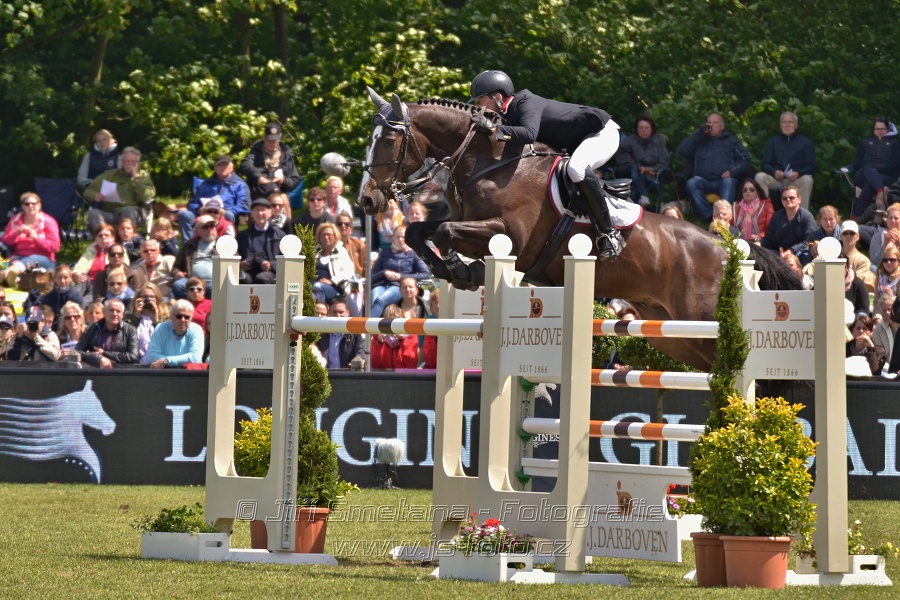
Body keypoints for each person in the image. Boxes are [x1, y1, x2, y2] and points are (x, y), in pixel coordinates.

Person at [470, 70, 624, 258]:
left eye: (480, 101)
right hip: (578, 142)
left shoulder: (525, 101)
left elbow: (529, 134)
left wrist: (493, 128)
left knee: (576, 169)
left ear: (498, 96)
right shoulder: (509, 114)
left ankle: (609, 233)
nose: (479, 108)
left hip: (602, 132)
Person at [677, 112, 752, 220]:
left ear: (722, 126)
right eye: (709, 122)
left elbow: (745, 159)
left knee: (729, 182)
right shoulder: (700, 140)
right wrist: (699, 132)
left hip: (722, 181)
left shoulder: (730, 140)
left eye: (715, 122)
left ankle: (725, 218)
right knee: (692, 183)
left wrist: (732, 171)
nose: (711, 125)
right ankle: (709, 217)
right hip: (703, 180)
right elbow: (681, 151)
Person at [177, 154, 249, 241]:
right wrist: (198, 209)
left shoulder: (240, 185)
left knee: (228, 214)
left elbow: (245, 205)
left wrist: (224, 211)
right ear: (214, 168)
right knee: (184, 214)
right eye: (219, 165)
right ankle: (189, 247)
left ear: (232, 167)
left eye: (225, 164)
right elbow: (192, 203)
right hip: (203, 214)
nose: (222, 167)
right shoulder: (204, 184)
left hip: (223, 215)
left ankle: (225, 245)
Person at [84, 146, 156, 232]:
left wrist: (136, 178)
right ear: (122, 162)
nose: (129, 164)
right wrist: (95, 195)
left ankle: (126, 241)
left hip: (131, 213)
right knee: (93, 213)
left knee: (128, 209)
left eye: (133, 162)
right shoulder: (109, 175)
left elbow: (145, 197)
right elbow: (87, 191)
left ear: (138, 163)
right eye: (127, 161)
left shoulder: (143, 176)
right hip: (109, 212)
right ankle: (105, 239)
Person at [754, 111, 816, 208]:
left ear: (796, 125)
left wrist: (798, 173)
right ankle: (763, 212)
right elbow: (765, 164)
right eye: (784, 122)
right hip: (777, 181)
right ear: (780, 125)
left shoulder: (806, 142)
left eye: (790, 122)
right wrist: (774, 172)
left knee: (808, 179)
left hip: (796, 180)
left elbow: (811, 166)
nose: (787, 125)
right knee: (759, 177)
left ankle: (802, 216)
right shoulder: (773, 142)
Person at [0, 192, 60, 287]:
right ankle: (13, 279)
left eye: (34, 203)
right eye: (27, 204)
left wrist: (37, 238)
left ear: (39, 205)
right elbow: (4, 242)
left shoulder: (48, 222)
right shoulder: (15, 220)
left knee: (33, 258)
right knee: (15, 261)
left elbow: (55, 247)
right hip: (19, 258)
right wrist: (15, 233)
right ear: (23, 207)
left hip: (44, 259)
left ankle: (6, 273)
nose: (30, 206)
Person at [369, 225, 431, 317]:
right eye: (398, 237)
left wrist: (401, 276)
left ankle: (367, 327)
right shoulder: (384, 253)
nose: (401, 239)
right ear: (393, 238)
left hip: (399, 286)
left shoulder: (413, 254)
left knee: (380, 300)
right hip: (382, 284)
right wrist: (385, 273)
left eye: (403, 237)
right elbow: (372, 276)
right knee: (374, 300)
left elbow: (426, 274)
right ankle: (375, 328)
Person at [614, 115, 670, 207]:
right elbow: (623, 157)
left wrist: (649, 169)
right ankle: (643, 196)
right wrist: (639, 168)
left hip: (649, 176)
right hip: (628, 172)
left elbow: (664, 162)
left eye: (646, 128)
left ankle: (636, 206)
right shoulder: (630, 140)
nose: (643, 130)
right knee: (634, 168)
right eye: (641, 128)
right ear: (637, 129)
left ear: (651, 129)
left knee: (634, 189)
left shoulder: (658, 143)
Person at [851, 117, 900, 217]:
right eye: (877, 129)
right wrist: (871, 170)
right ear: (873, 129)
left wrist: (876, 171)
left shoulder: (895, 144)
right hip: (863, 175)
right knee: (867, 168)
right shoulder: (865, 142)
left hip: (886, 177)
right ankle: (880, 192)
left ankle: (856, 216)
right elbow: (856, 164)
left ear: (888, 129)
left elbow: (896, 166)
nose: (880, 131)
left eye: (882, 129)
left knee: (870, 183)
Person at [239, 121, 301, 198]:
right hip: (258, 194)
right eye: (270, 140)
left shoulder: (286, 154)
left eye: (275, 140)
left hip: (278, 196)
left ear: (280, 138)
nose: (273, 143)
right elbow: (245, 165)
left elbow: (294, 180)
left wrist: (283, 180)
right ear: (264, 137)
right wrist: (259, 177)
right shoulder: (256, 150)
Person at [74, 298, 140, 368]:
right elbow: (77, 352)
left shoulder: (130, 330)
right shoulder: (92, 328)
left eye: (118, 311)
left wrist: (104, 353)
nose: (115, 314)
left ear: (123, 315)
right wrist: (98, 358)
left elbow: (134, 356)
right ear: (104, 312)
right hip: (97, 373)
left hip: (122, 374)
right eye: (111, 310)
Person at [142, 299, 204, 368]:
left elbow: (195, 358)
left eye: (187, 317)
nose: (183, 320)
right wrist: (171, 361)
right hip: (166, 374)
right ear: (171, 316)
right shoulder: (160, 328)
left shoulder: (196, 329)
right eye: (179, 316)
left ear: (191, 318)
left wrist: (167, 361)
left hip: (189, 375)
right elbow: (150, 356)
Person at [237, 198, 285, 285]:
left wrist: (271, 265)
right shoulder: (242, 235)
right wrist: (241, 264)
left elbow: (285, 260)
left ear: (270, 213)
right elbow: (236, 256)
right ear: (251, 213)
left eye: (263, 210)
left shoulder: (279, 235)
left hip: (271, 273)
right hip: (249, 271)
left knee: (262, 278)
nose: (260, 213)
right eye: (256, 210)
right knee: (243, 278)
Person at [761, 186, 817, 256]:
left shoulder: (807, 217)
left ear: (799, 199)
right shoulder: (776, 216)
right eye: (785, 198)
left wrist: (792, 250)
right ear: (782, 201)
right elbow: (768, 239)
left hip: (798, 255)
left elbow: (808, 241)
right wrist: (758, 244)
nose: (788, 200)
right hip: (778, 254)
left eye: (791, 198)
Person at [172, 214, 217, 299]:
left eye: (212, 226)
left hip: (214, 282)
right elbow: (176, 266)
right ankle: (190, 308)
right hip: (191, 281)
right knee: (178, 285)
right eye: (205, 227)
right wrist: (177, 273)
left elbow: (235, 262)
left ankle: (209, 310)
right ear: (198, 230)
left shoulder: (225, 243)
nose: (209, 229)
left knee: (216, 289)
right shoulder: (189, 245)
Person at [315, 298, 365, 369]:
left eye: (341, 312)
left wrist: (358, 359)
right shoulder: (321, 336)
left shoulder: (355, 334)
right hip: (327, 377)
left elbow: (362, 349)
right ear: (328, 313)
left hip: (349, 377)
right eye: (334, 312)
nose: (338, 315)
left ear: (347, 313)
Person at [312, 222, 355, 303]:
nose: (326, 237)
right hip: (314, 285)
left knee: (317, 287)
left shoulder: (340, 252)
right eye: (323, 234)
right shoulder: (314, 252)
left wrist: (332, 281)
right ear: (319, 237)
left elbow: (348, 271)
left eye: (329, 234)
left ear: (335, 236)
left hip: (335, 289)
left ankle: (319, 312)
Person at [127, 281, 169, 359]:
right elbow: (126, 338)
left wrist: (156, 321)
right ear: (138, 298)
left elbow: (167, 340)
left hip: (158, 362)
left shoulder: (165, 318)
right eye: (145, 296)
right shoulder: (128, 317)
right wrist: (136, 316)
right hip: (136, 363)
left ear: (157, 299)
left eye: (152, 297)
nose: (149, 300)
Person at [370, 304, 418, 369]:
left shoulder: (411, 337)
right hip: (383, 376)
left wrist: (403, 341)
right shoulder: (378, 337)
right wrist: (379, 344)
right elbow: (374, 364)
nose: (393, 326)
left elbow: (411, 364)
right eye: (389, 322)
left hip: (403, 376)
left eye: (396, 322)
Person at [72, 224, 117, 290]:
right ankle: (73, 299)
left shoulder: (118, 251)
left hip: (108, 284)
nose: (103, 237)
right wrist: (76, 274)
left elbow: (123, 267)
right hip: (90, 284)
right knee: (83, 278)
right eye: (100, 236)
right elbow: (81, 264)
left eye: (106, 235)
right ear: (96, 238)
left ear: (112, 237)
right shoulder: (90, 250)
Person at [38, 265, 84, 330]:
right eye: (59, 278)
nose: (62, 281)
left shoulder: (77, 298)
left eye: (65, 278)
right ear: (55, 279)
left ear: (70, 278)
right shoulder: (47, 298)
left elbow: (79, 321)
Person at [733, 179, 774, 244]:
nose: (748, 191)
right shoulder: (736, 206)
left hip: (759, 242)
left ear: (757, 193)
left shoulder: (766, 205)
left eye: (751, 189)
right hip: (739, 241)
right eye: (745, 190)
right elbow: (730, 226)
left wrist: (760, 236)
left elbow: (771, 228)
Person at [840, 220, 874, 287]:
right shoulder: (833, 255)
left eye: (852, 233)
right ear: (841, 236)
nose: (848, 236)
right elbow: (814, 265)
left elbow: (856, 282)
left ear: (857, 237)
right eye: (845, 233)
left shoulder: (863, 260)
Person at [869, 202, 900, 268]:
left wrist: (898, 245)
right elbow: (874, 261)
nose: (893, 220)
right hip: (882, 270)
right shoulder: (878, 236)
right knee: (871, 267)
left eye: (896, 218)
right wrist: (885, 244)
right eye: (890, 218)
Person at [336, 210, 366, 275]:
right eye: (340, 224)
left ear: (351, 227)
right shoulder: (331, 246)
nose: (343, 226)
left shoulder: (359, 245)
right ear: (336, 226)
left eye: (347, 224)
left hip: (356, 281)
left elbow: (365, 268)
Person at [874, 246, 900, 321]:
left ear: (898, 262)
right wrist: (877, 318)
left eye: (892, 260)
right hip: (882, 314)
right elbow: (876, 301)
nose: (888, 262)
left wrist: (892, 297)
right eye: (885, 260)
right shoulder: (880, 276)